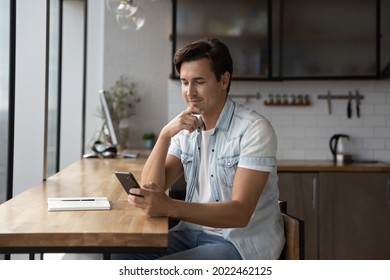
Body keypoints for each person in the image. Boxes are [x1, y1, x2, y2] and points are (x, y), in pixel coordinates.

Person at [112, 38, 284, 260]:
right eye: (184, 82)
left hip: (237, 244)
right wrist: (164, 135)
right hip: (190, 233)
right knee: (118, 255)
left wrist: (169, 206)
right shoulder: (185, 128)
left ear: (224, 80)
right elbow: (152, 187)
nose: (189, 92)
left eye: (199, 81)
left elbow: (240, 213)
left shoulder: (253, 129)